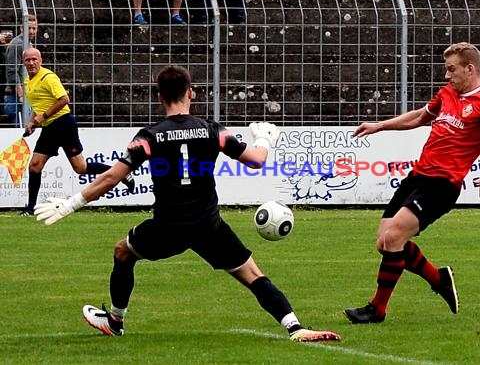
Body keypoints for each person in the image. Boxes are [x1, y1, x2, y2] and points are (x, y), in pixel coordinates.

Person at [34, 65, 341, 343]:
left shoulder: (148, 136)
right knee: (252, 274)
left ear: (159, 96)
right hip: (208, 225)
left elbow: (111, 178)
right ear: (190, 93)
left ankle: (115, 321)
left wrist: (71, 204)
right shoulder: (212, 130)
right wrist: (264, 139)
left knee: (122, 252)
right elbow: (257, 161)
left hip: (168, 226)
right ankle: (295, 327)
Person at [344, 42, 480, 324]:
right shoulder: (447, 94)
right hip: (418, 176)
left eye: (451, 69)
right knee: (384, 242)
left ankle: (377, 309)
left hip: (442, 185)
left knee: (394, 238)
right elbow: (419, 117)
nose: (446, 75)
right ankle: (437, 277)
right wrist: (379, 126)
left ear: (470, 69)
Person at [21, 48, 135, 215]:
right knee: (34, 166)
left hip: (63, 124)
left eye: (34, 59)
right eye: (27, 60)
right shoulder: (27, 81)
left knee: (80, 168)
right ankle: (30, 209)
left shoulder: (48, 77)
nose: (31, 63)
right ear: (23, 62)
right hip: (49, 128)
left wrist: (43, 116)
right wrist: (32, 121)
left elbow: (64, 100)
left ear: (41, 60)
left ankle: (122, 173)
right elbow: (39, 106)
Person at [4, 15, 38, 127]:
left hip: (26, 93)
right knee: (19, 132)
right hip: (16, 96)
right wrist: (20, 93)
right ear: (21, 28)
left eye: (34, 28)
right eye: (29, 28)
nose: (32, 31)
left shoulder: (27, 44)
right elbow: (11, 70)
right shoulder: (17, 44)